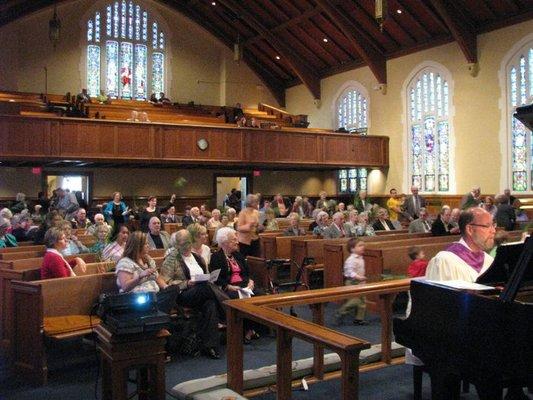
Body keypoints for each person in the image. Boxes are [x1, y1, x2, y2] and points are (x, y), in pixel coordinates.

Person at [161, 230, 224, 359]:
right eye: (184, 243)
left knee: (210, 304)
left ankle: (210, 346)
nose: (188, 245)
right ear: (177, 244)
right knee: (206, 288)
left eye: (189, 242)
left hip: (203, 292)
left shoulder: (198, 257)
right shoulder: (171, 259)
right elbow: (166, 283)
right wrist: (186, 283)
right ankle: (227, 308)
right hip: (184, 294)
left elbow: (206, 274)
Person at [211, 227, 259, 343]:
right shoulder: (216, 257)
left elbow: (247, 272)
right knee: (239, 298)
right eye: (233, 239)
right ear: (224, 242)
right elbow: (216, 279)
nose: (237, 241)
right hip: (229, 287)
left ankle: (254, 327)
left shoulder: (237, 255)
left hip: (244, 285)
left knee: (260, 295)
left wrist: (250, 281)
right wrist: (229, 286)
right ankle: (245, 330)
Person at [426, 208, 495, 282]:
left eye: (493, 225)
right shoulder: (445, 261)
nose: (494, 231)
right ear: (469, 229)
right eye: (487, 226)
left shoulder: (489, 260)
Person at [334, 238, 368, 326]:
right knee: (355, 300)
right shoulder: (351, 260)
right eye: (360, 245)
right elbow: (349, 272)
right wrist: (358, 277)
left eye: (363, 245)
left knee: (363, 301)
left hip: (361, 283)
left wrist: (361, 279)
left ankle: (359, 319)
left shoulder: (361, 258)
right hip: (352, 282)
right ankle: (340, 312)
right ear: (352, 249)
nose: (363, 247)